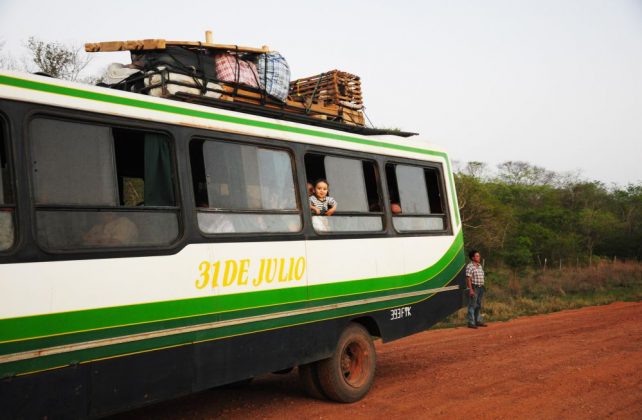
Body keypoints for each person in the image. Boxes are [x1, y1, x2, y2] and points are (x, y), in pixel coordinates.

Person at [466, 249, 487, 329]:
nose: (479, 257)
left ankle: (477, 321)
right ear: (472, 257)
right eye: (477, 256)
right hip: (474, 287)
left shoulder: (479, 265)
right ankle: (471, 322)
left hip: (481, 287)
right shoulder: (470, 266)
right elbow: (468, 279)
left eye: (479, 255)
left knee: (478, 305)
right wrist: (471, 289)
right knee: (472, 305)